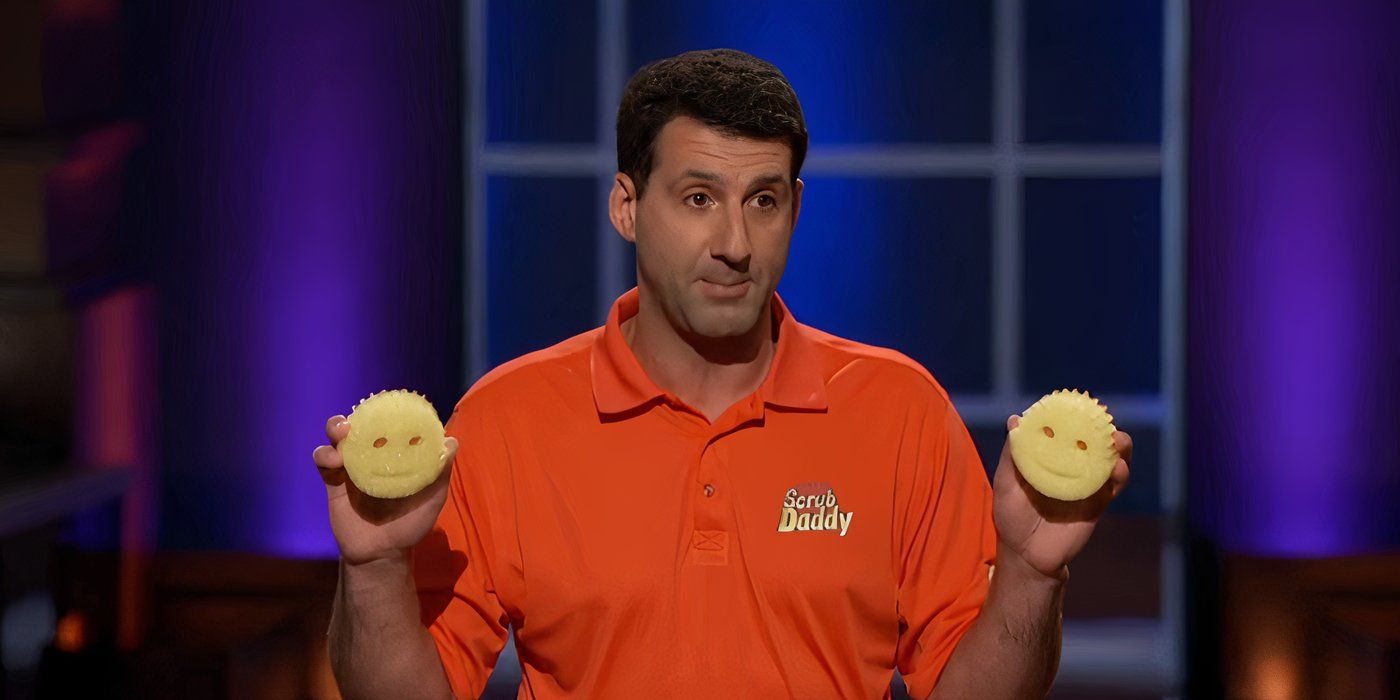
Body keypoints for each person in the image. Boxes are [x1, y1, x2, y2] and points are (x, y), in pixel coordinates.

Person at [312, 48, 1132, 699]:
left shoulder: (902, 411)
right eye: (699, 198)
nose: (736, 242)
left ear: (796, 209)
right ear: (627, 206)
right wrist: (376, 568)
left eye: (764, 200)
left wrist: (1030, 573)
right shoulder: (505, 419)